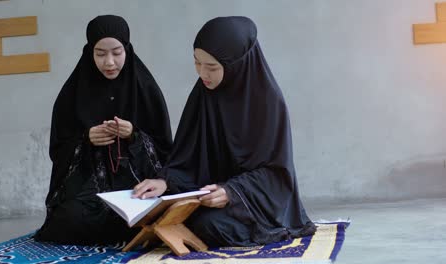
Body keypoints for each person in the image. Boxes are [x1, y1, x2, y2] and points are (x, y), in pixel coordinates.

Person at [133, 16, 316, 247]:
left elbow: (276, 175)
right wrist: (166, 181)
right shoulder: (203, 95)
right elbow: (188, 156)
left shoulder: (267, 103)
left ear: (237, 65)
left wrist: (231, 191)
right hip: (206, 197)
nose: (202, 74)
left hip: (255, 201)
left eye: (211, 67)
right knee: (161, 213)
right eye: (197, 63)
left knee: (209, 225)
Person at [34, 15, 172, 245]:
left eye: (117, 53)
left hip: (136, 183)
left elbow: (166, 149)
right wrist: (85, 139)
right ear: (89, 53)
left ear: (127, 49)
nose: (109, 62)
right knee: (69, 220)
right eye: (100, 54)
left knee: (158, 213)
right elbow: (58, 151)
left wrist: (134, 135)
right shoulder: (73, 93)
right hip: (89, 187)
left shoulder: (145, 88)